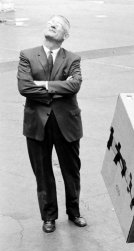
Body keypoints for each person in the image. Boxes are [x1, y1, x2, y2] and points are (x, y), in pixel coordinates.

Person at [17, 15, 86, 233]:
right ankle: (48, 216)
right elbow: (24, 88)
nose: (52, 24)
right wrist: (59, 88)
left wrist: (43, 84)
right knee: (42, 171)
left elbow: (74, 86)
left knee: (71, 170)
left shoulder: (73, 58)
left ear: (66, 35)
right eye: (50, 22)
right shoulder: (27, 55)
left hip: (67, 123)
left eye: (59, 23)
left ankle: (74, 212)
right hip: (37, 123)